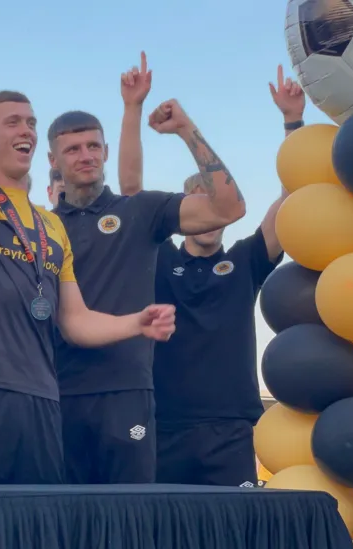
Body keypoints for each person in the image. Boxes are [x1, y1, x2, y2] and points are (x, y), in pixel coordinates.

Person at [0, 0, 176, 485]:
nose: (26, 129)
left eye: (30, 122)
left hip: (44, 401)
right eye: (13, 122)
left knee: (33, 527)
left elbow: (75, 321)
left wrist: (137, 321)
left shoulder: (51, 226)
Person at [50, 57, 246, 484]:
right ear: (54, 159)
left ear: (104, 150)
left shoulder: (139, 211)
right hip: (52, 393)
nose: (85, 156)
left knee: (130, 520)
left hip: (126, 391)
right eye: (72, 148)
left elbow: (228, 208)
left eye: (93, 146)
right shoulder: (38, 226)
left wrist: (184, 129)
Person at [153, 66, 293, 487]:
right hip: (164, 426)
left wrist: (292, 121)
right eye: (201, 206)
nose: (210, 217)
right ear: (185, 213)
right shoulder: (157, 258)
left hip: (232, 428)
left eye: (218, 207)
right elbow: (128, 190)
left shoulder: (245, 260)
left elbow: (294, 201)